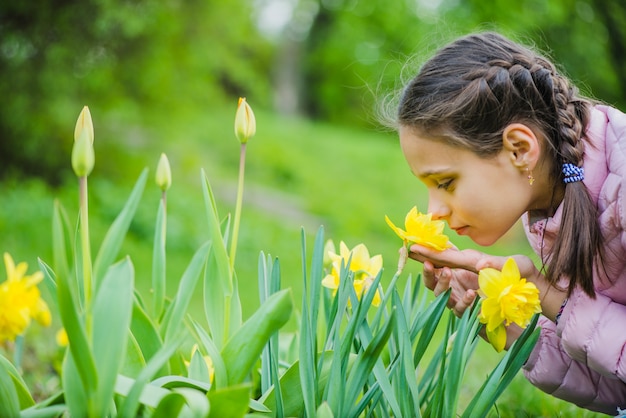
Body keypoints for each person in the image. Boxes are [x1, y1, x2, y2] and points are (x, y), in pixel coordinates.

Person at [390, 31, 626, 414]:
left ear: (519, 149)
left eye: (445, 182)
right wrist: (498, 321)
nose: (433, 211)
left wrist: (551, 297)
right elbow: (618, 387)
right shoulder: (555, 209)